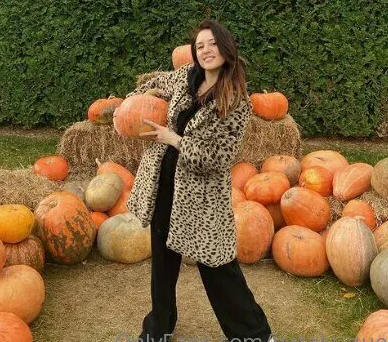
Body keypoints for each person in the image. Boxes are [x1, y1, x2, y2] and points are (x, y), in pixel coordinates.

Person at [114, 19, 274, 342]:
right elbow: (155, 81)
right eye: (200, 46)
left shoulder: (235, 100)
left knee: (217, 267)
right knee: (162, 261)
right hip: (164, 180)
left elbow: (218, 158)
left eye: (212, 44)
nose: (205, 50)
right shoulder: (188, 76)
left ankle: (255, 334)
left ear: (226, 48)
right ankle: (159, 327)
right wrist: (138, 99)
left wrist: (173, 139)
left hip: (200, 194)